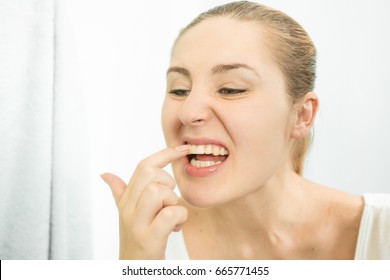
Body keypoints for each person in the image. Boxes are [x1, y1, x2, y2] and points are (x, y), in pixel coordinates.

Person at [101, 1, 390, 259]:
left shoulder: (382, 233)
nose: (189, 112)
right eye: (179, 90)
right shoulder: (150, 241)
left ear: (302, 115)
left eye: (230, 89)